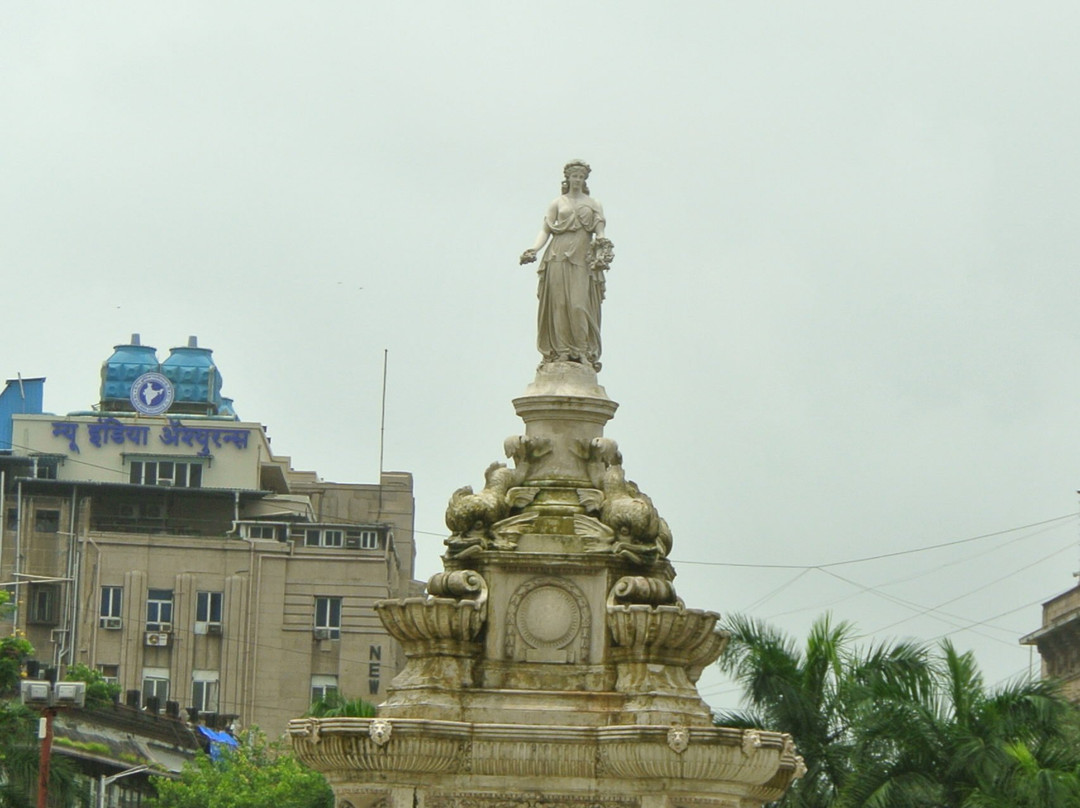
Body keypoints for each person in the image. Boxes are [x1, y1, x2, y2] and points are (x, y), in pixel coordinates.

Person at [520, 160, 614, 371]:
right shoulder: (557, 203)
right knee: (559, 305)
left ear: (584, 179)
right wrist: (534, 249)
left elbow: (600, 233)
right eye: (574, 176)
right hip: (557, 256)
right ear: (568, 178)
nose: (577, 180)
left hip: (582, 258)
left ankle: (581, 351)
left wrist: (603, 249)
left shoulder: (593, 203)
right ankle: (561, 351)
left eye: (581, 176)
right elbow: (545, 230)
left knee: (579, 306)